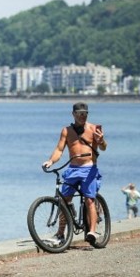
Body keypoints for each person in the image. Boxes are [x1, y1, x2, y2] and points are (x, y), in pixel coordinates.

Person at [42, 102, 107, 246]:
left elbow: (103, 147)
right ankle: (60, 235)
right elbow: (59, 150)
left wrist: (101, 141)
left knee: (90, 200)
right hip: (72, 169)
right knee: (64, 201)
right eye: (79, 114)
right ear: (74, 114)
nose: (82, 116)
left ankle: (92, 232)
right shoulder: (66, 131)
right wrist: (51, 161)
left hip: (89, 169)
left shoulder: (93, 128)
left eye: (85, 113)